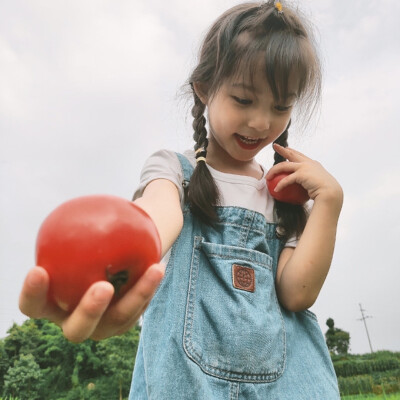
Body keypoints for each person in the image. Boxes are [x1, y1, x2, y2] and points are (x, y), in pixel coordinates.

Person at [19, 1, 343, 398]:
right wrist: (107, 272)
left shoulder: (287, 196)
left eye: (281, 106)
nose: (261, 122)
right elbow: (155, 220)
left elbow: (297, 293)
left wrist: (329, 201)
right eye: (243, 99)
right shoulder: (173, 171)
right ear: (204, 89)